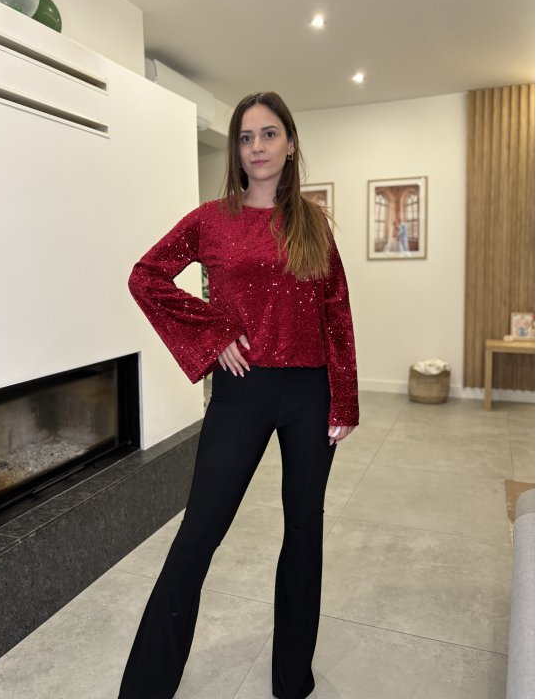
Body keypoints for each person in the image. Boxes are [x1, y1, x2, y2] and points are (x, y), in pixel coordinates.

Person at [119, 91, 359, 699]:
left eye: (269, 134)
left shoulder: (312, 223)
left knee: (303, 531)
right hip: (242, 390)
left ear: (290, 145)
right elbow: (146, 277)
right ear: (236, 150)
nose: (257, 147)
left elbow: (336, 310)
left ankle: (291, 680)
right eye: (246, 137)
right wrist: (214, 333)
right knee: (198, 532)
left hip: (309, 391)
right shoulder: (210, 218)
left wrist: (344, 399)